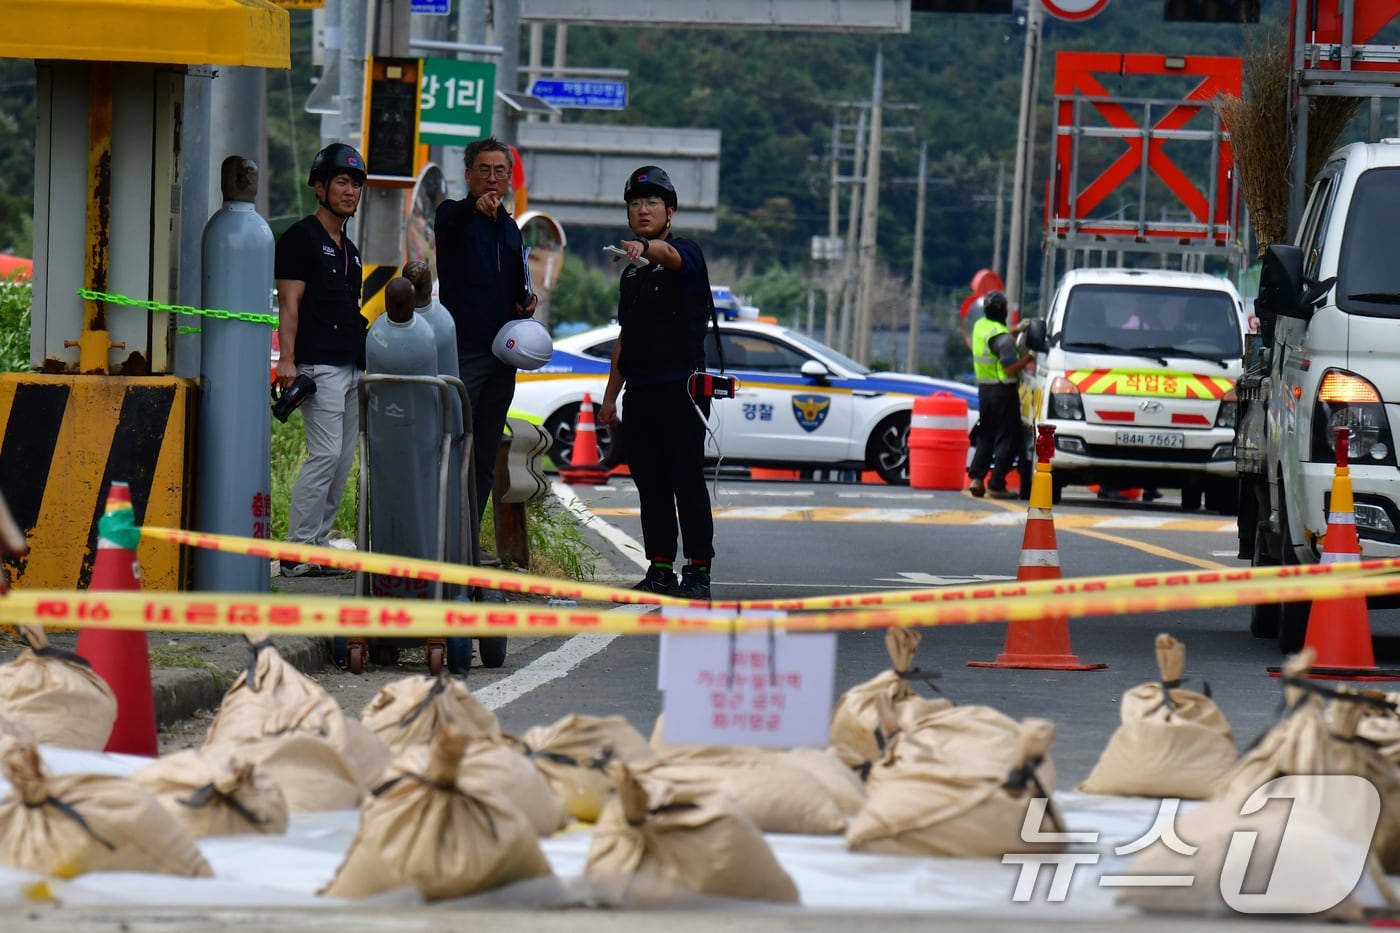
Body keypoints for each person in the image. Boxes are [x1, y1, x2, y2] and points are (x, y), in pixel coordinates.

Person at [598, 165, 716, 599]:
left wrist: (647, 247)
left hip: (681, 390)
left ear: (670, 212)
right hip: (641, 392)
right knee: (650, 486)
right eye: (635, 203)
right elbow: (625, 340)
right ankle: (660, 569)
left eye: (652, 203)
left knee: (686, 481)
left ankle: (698, 573)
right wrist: (609, 398)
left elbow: (667, 255)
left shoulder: (685, 253)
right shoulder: (631, 274)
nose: (643, 209)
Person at [434, 137, 537, 528]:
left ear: (509, 178)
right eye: (484, 170)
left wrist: (525, 302)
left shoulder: (511, 228)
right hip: (464, 352)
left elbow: (516, 284)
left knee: (485, 453)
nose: (492, 178)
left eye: (500, 171)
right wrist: (472, 207)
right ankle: (440, 536)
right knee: (452, 445)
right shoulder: (452, 215)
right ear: (468, 175)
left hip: (503, 357)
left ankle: (468, 542)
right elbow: (455, 216)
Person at [274, 143, 366, 576]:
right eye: (342, 182)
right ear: (319, 187)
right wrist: (287, 360)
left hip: (351, 366)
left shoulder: (351, 249)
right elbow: (289, 305)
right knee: (325, 455)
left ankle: (318, 544)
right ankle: (296, 552)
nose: (350, 192)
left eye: (356, 185)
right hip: (317, 367)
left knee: (341, 461)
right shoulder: (300, 239)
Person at [968, 290, 1033, 500]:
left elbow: (997, 338)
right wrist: (1030, 356)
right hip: (1003, 390)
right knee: (1008, 437)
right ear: (1004, 310)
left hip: (985, 390)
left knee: (986, 434)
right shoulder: (1004, 339)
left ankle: (977, 478)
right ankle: (996, 484)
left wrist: (1017, 330)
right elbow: (1009, 368)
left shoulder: (980, 326)